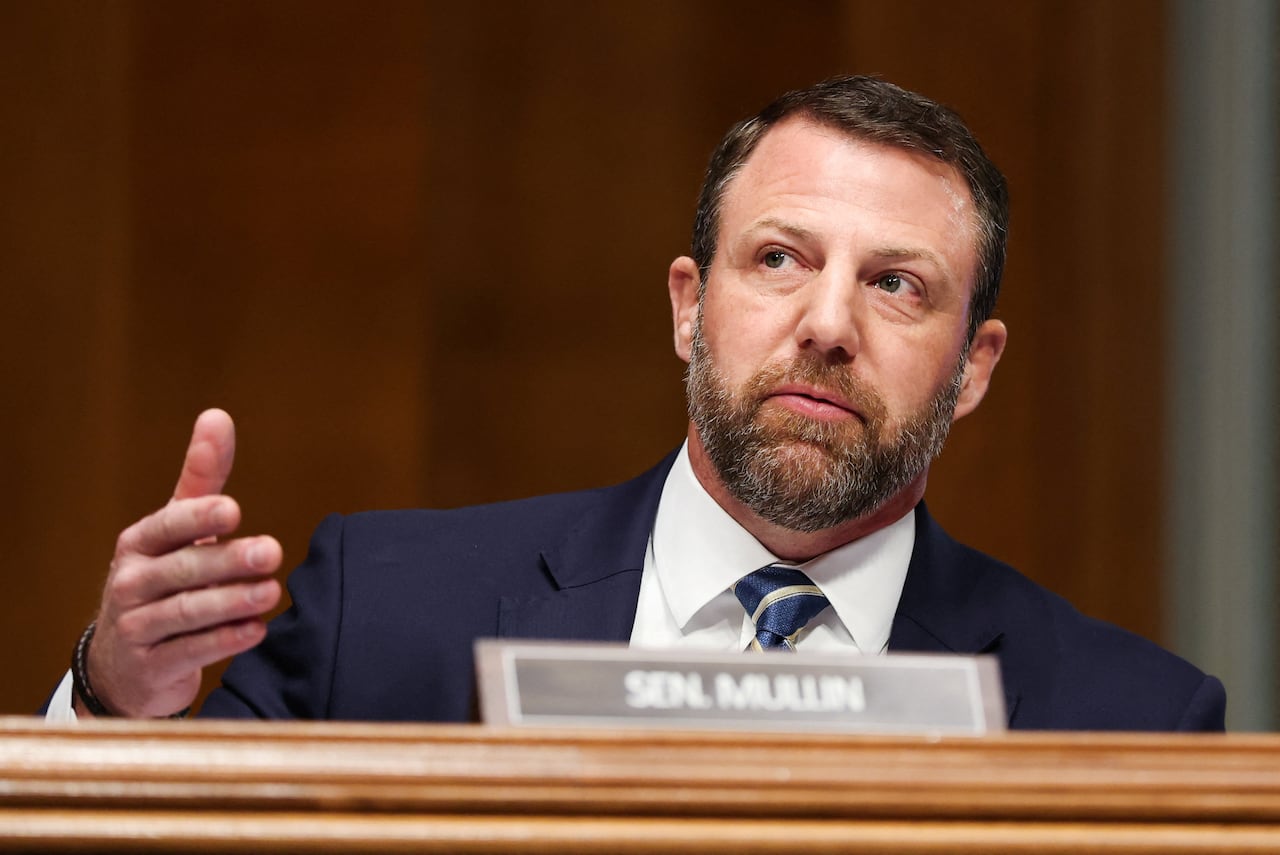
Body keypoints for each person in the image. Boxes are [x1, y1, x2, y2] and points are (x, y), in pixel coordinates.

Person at [45, 76, 1226, 729]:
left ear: (970, 369)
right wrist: (111, 701)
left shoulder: (1125, 717)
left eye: (895, 284)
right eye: (776, 259)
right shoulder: (385, 618)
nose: (825, 322)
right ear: (684, 306)